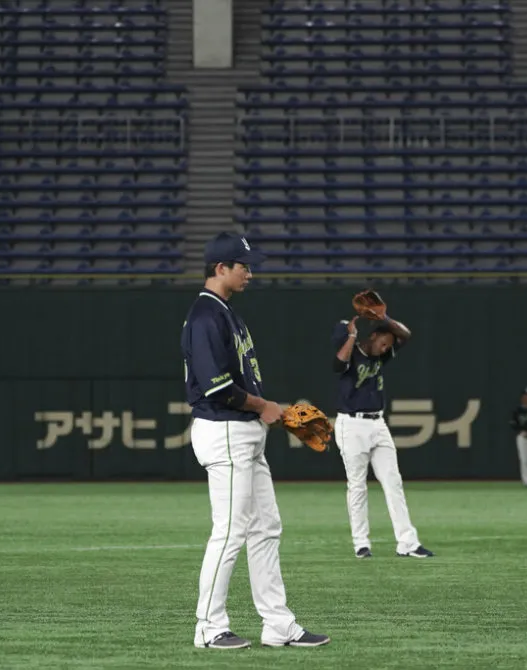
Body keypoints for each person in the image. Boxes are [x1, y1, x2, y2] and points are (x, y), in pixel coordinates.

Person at [181, 231, 330, 650]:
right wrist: (264, 406)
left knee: (266, 527)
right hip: (225, 429)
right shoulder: (205, 316)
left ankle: (278, 624)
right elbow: (217, 388)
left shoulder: (227, 313)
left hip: (244, 431)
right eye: (243, 266)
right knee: (230, 531)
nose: (250, 272)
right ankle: (209, 627)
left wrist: (271, 412)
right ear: (220, 268)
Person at [331, 312, 434, 559]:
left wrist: (384, 317)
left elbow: (405, 335)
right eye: (383, 343)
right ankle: (361, 543)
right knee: (357, 485)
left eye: (388, 345)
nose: (385, 348)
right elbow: (338, 365)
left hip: (378, 424)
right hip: (351, 425)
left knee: (393, 481)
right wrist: (352, 336)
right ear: (373, 336)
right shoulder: (352, 350)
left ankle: (407, 543)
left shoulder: (382, 355)